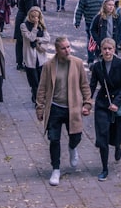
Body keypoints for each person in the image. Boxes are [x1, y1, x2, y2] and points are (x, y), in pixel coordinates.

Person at [36, 36, 92, 187]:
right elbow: (42, 88)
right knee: (54, 139)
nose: (67, 50)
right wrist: (40, 107)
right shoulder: (49, 66)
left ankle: (72, 147)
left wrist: (87, 103)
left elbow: (85, 85)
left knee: (76, 136)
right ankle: (56, 169)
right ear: (57, 50)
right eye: (64, 48)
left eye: (68, 47)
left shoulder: (77, 63)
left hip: (72, 108)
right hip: (54, 107)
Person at [89, 38, 121, 181]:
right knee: (102, 135)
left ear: (114, 49)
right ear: (101, 50)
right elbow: (92, 85)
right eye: (104, 49)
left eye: (110, 48)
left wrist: (117, 102)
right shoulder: (97, 67)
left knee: (117, 133)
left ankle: (118, 146)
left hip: (117, 103)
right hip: (103, 104)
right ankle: (104, 168)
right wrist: (87, 102)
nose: (107, 51)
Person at [74, 0, 109, 64]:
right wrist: (77, 21)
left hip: (102, 22)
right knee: (91, 40)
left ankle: (99, 58)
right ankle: (90, 60)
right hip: (90, 22)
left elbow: (109, 7)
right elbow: (79, 9)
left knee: (101, 40)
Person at [14, 0, 40, 70]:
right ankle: (25, 62)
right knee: (25, 41)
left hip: (20, 17)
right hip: (25, 19)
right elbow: (30, 10)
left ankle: (19, 62)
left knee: (19, 42)